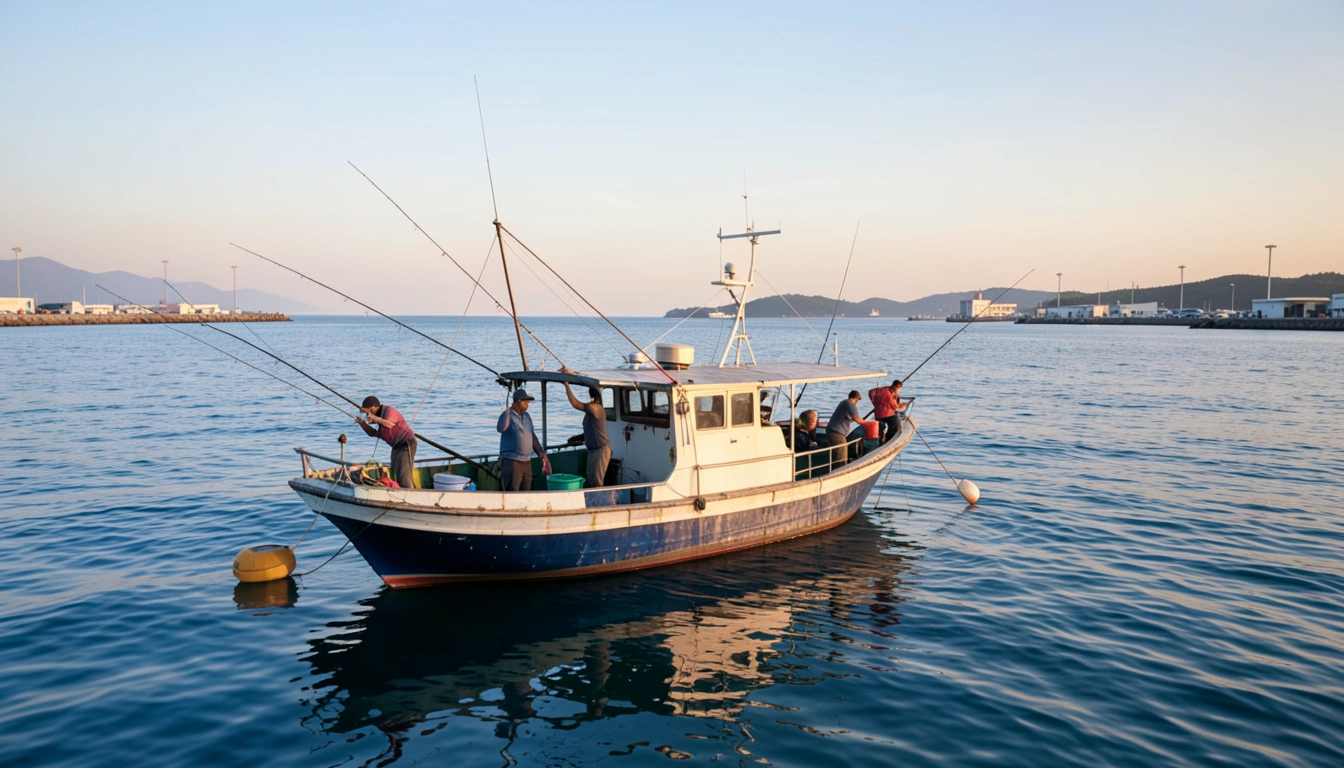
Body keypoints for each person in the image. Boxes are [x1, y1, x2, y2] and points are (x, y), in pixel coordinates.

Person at [559, 367, 610, 487]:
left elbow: (575, 404)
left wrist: (566, 385)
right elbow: (591, 430)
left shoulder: (597, 409)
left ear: (596, 399)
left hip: (600, 450)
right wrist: (576, 438)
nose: (590, 402)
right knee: (591, 481)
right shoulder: (591, 412)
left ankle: (599, 503)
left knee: (596, 482)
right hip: (593, 450)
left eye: (592, 399)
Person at [355, 396, 418, 489]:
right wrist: (362, 424)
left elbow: (390, 424)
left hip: (406, 443)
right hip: (396, 446)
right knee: (395, 472)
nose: (369, 413)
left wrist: (375, 419)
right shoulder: (379, 421)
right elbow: (373, 433)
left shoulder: (389, 410)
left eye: (370, 410)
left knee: (404, 475)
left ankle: (409, 493)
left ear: (376, 406)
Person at [497, 389, 551, 491]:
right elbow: (500, 428)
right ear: (518, 402)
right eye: (525, 401)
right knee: (513, 489)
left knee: (526, 490)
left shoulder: (526, 416)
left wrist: (540, 453)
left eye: (528, 402)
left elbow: (532, 435)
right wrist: (507, 411)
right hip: (512, 461)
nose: (528, 404)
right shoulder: (507, 415)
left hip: (526, 461)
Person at [826, 390, 873, 468]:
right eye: (857, 400)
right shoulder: (850, 404)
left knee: (837, 453)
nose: (857, 402)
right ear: (856, 399)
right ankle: (839, 472)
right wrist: (869, 424)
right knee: (841, 455)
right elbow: (857, 419)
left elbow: (848, 418)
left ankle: (834, 469)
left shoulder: (843, 402)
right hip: (837, 432)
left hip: (831, 431)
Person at [868, 379, 910, 444]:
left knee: (880, 429)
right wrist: (904, 406)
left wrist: (874, 403)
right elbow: (897, 407)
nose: (899, 391)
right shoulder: (889, 396)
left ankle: (880, 439)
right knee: (895, 425)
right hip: (887, 414)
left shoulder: (883, 388)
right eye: (899, 389)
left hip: (878, 413)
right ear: (896, 387)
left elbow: (870, 392)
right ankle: (888, 440)